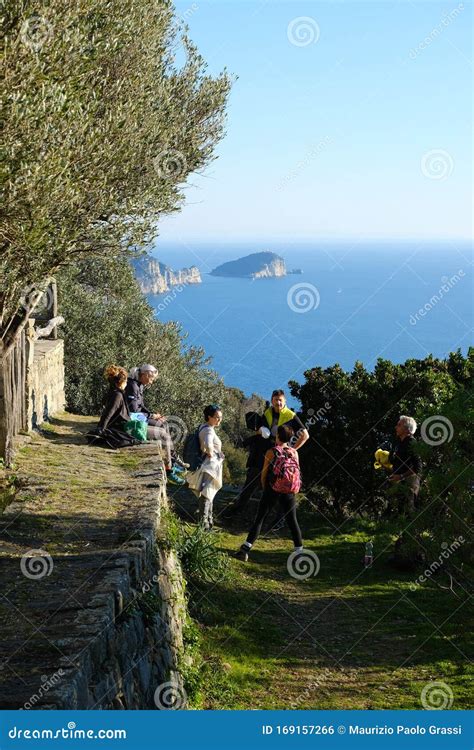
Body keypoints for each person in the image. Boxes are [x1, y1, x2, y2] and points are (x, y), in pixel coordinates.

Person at [224, 389, 309, 518]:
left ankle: (278, 520)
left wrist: (292, 449)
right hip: (260, 455)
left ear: (284, 401)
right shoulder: (267, 413)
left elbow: (305, 435)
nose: (278, 403)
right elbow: (258, 430)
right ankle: (236, 511)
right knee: (250, 483)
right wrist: (260, 430)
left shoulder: (291, 416)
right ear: (272, 400)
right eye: (275, 400)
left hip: (279, 458)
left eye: (280, 400)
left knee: (280, 487)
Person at [234, 424, 304, 561]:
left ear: (277, 435)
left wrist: (264, 486)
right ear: (291, 438)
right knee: (292, 520)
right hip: (289, 490)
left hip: (273, 489)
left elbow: (264, 472)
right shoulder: (294, 452)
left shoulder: (272, 451)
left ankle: (245, 550)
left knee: (260, 518)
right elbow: (297, 471)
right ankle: (299, 552)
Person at [125, 364, 185, 485]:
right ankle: (169, 471)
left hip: (138, 419)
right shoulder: (132, 386)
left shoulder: (138, 385)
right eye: (151, 378)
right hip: (132, 423)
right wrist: (151, 416)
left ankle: (171, 461)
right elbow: (132, 413)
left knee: (164, 424)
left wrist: (153, 414)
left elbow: (140, 407)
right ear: (145, 375)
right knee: (164, 435)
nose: (151, 382)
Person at [186, 405, 225, 531]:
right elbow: (208, 444)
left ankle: (208, 520)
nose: (219, 420)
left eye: (220, 417)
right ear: (209, 417)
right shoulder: (209, 430)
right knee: (207, 494)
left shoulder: (202, 426)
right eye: (217, 418)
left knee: (208, 493)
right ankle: (205, 523)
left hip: (208, 465)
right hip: (211, 466)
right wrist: (211, 452)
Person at [388, 415, 422, 516]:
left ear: (407, 429)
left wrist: (401, 476)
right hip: (398, 481)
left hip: (409, 483)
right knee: (397, 511)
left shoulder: (412, 443)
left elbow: (418, 467)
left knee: (409, 512)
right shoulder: (398, 443)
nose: (396, 427)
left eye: (399, 425)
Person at [97, 365, 131, 431]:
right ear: (121, 382)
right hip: (120, 428)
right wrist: (101, 429)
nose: (126, 384)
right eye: (126, 381)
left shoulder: (112, 392)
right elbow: (109, 413)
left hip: (120, 426)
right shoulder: (117, 395)